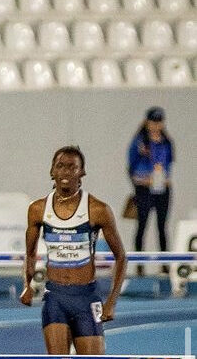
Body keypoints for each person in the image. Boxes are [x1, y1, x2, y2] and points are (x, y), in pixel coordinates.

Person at [20, 146, 126, 354]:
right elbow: (30, 253)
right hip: (55, 297)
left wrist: (111, 301)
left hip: (86, 297)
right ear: (52, 171)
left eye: (72, 167)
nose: (65, 172)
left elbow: (121, 257)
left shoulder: (98, 210)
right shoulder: (37, 209)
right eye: (60, 166)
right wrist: (27, 285)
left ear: (82, 172)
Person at [128, 106, 174, 274]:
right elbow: (131, 167)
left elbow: (168, 164)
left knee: (162, 226)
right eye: (153, 122)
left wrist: (165, 179)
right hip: (144, 188)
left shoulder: (166, 142)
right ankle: (140, 265)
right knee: (142, 225)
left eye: (159, 122)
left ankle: (164, 264)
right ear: (147, 123)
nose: (156, 125)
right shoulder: (139, 142)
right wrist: (141, 181)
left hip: (162, 188)